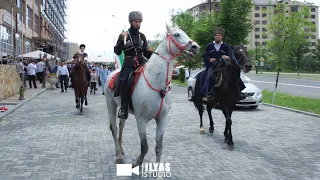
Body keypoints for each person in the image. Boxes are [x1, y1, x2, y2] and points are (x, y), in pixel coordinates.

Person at [114, 11, 154, 119]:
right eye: (136, 21)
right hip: (128, 63)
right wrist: (121, 40)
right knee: (124, 80)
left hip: (142, 62)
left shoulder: (142, 36)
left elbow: (145, 52)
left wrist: (150, 52)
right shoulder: (124, 35)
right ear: (131, 22)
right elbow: (117, 51)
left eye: (140, 21)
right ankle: (123, 107)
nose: (138, 24)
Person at [203, 27, 246, 101]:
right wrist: (209, 60)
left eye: (219, 35)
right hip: (213, 66)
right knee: (210, 76)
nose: (217, 36)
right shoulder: (209, 46)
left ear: (222, 36)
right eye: (215, 35)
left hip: (224, 65)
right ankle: (209, 93)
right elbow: (205, 56)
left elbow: (230, 56)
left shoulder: (226, 46)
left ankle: (240, 91)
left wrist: (227, 57)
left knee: (234, 74)